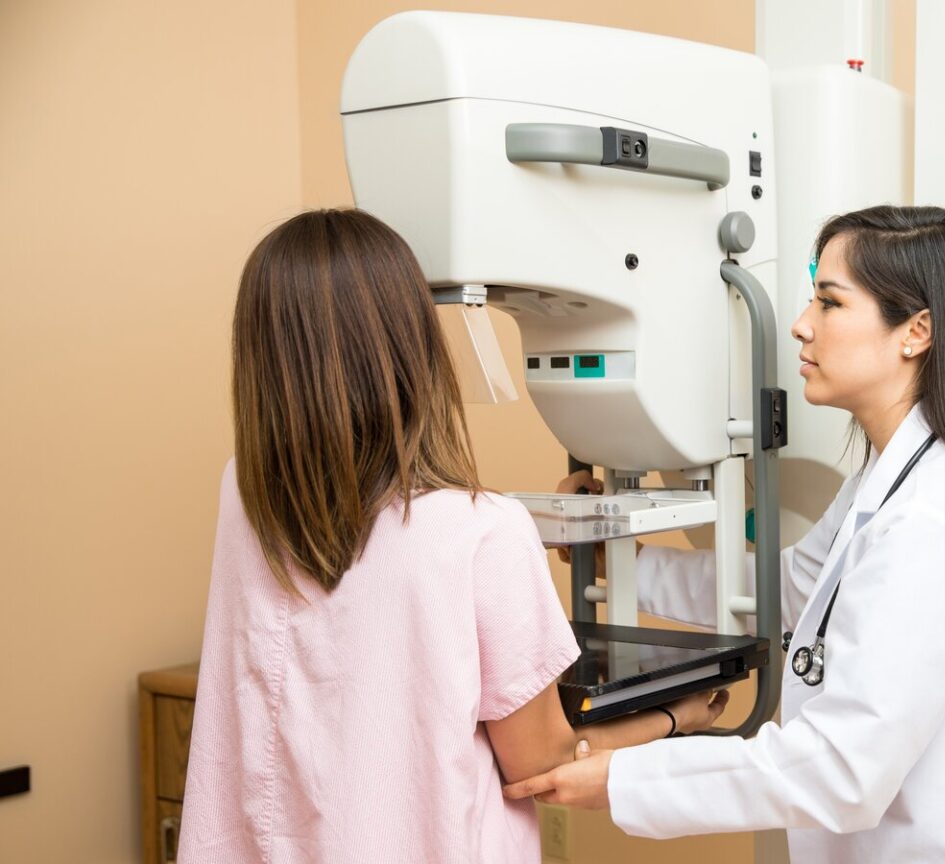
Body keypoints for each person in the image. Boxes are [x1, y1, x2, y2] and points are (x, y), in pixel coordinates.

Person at [509, 205, 945, 862]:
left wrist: (623, 778)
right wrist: (617, 549)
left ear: (916, 331)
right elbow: (790, 587)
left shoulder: (932, 523)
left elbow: (843, 771)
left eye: (829, 302)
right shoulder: (895, 476)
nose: (799, 325)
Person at [177, 209, 726, 863]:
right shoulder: (484, 535)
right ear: (410, 344)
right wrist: (678, 717)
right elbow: (542, 764)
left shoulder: (244, 494)